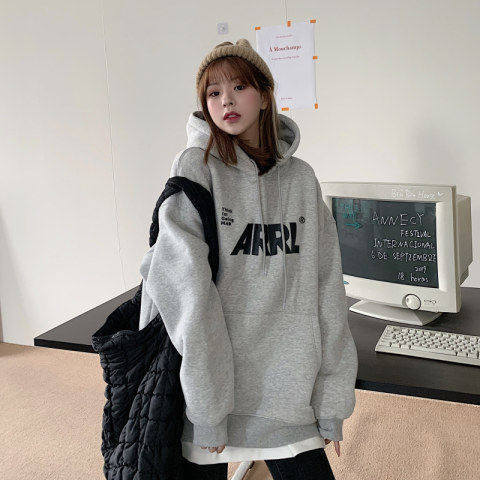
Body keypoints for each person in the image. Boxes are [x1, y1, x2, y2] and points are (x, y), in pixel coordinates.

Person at [138, 38, 358, 480]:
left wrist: (332, 400)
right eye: (213, 92)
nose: (226, 101)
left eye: (239, 87)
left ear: (265, 95)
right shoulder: (195, 170)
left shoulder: (302, 179)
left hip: (290, 390)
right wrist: (209, 408)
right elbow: (187, 295)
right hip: (210, 390)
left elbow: (327, 287)